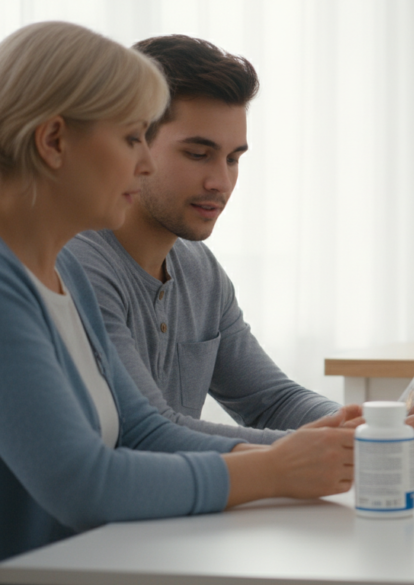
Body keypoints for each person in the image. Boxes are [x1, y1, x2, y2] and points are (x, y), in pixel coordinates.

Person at [0, 21, 363, 561]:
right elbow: (84, 483)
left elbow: (141, 428)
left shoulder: (61, 272)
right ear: (54, 141)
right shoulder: (35, 277)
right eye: (130, 139)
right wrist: (276, 467)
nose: (142, 163)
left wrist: (346, 441)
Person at [66, 35, 414, 480]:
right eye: (198, 154)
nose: (220, 181)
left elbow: (271, 401)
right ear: (135, 144)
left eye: (234, 158)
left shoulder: (200, 270)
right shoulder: (79, 263)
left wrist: (381, 426)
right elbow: (149, 431)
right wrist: (365, 447)